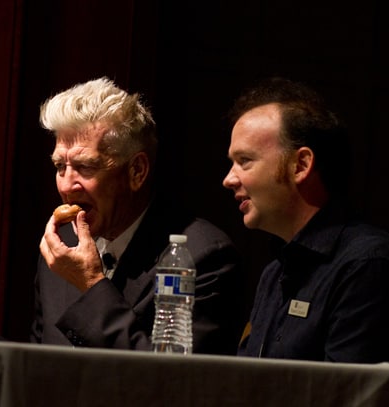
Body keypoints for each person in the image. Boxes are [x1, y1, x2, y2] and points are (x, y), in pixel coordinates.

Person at [31, 77, 243, 353]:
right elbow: (36, 362)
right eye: (60, 166)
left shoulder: (201, 256)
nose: (66, 185)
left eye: (85, 167)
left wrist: (92, 284)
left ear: (136, 172)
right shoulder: (62, 245)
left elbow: (171, 381)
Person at [223, 77, 389, 365]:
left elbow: (349, 396)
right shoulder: (274, 273)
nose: (228, 179)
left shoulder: (368, 265)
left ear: (300, 165)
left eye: (245, 160)